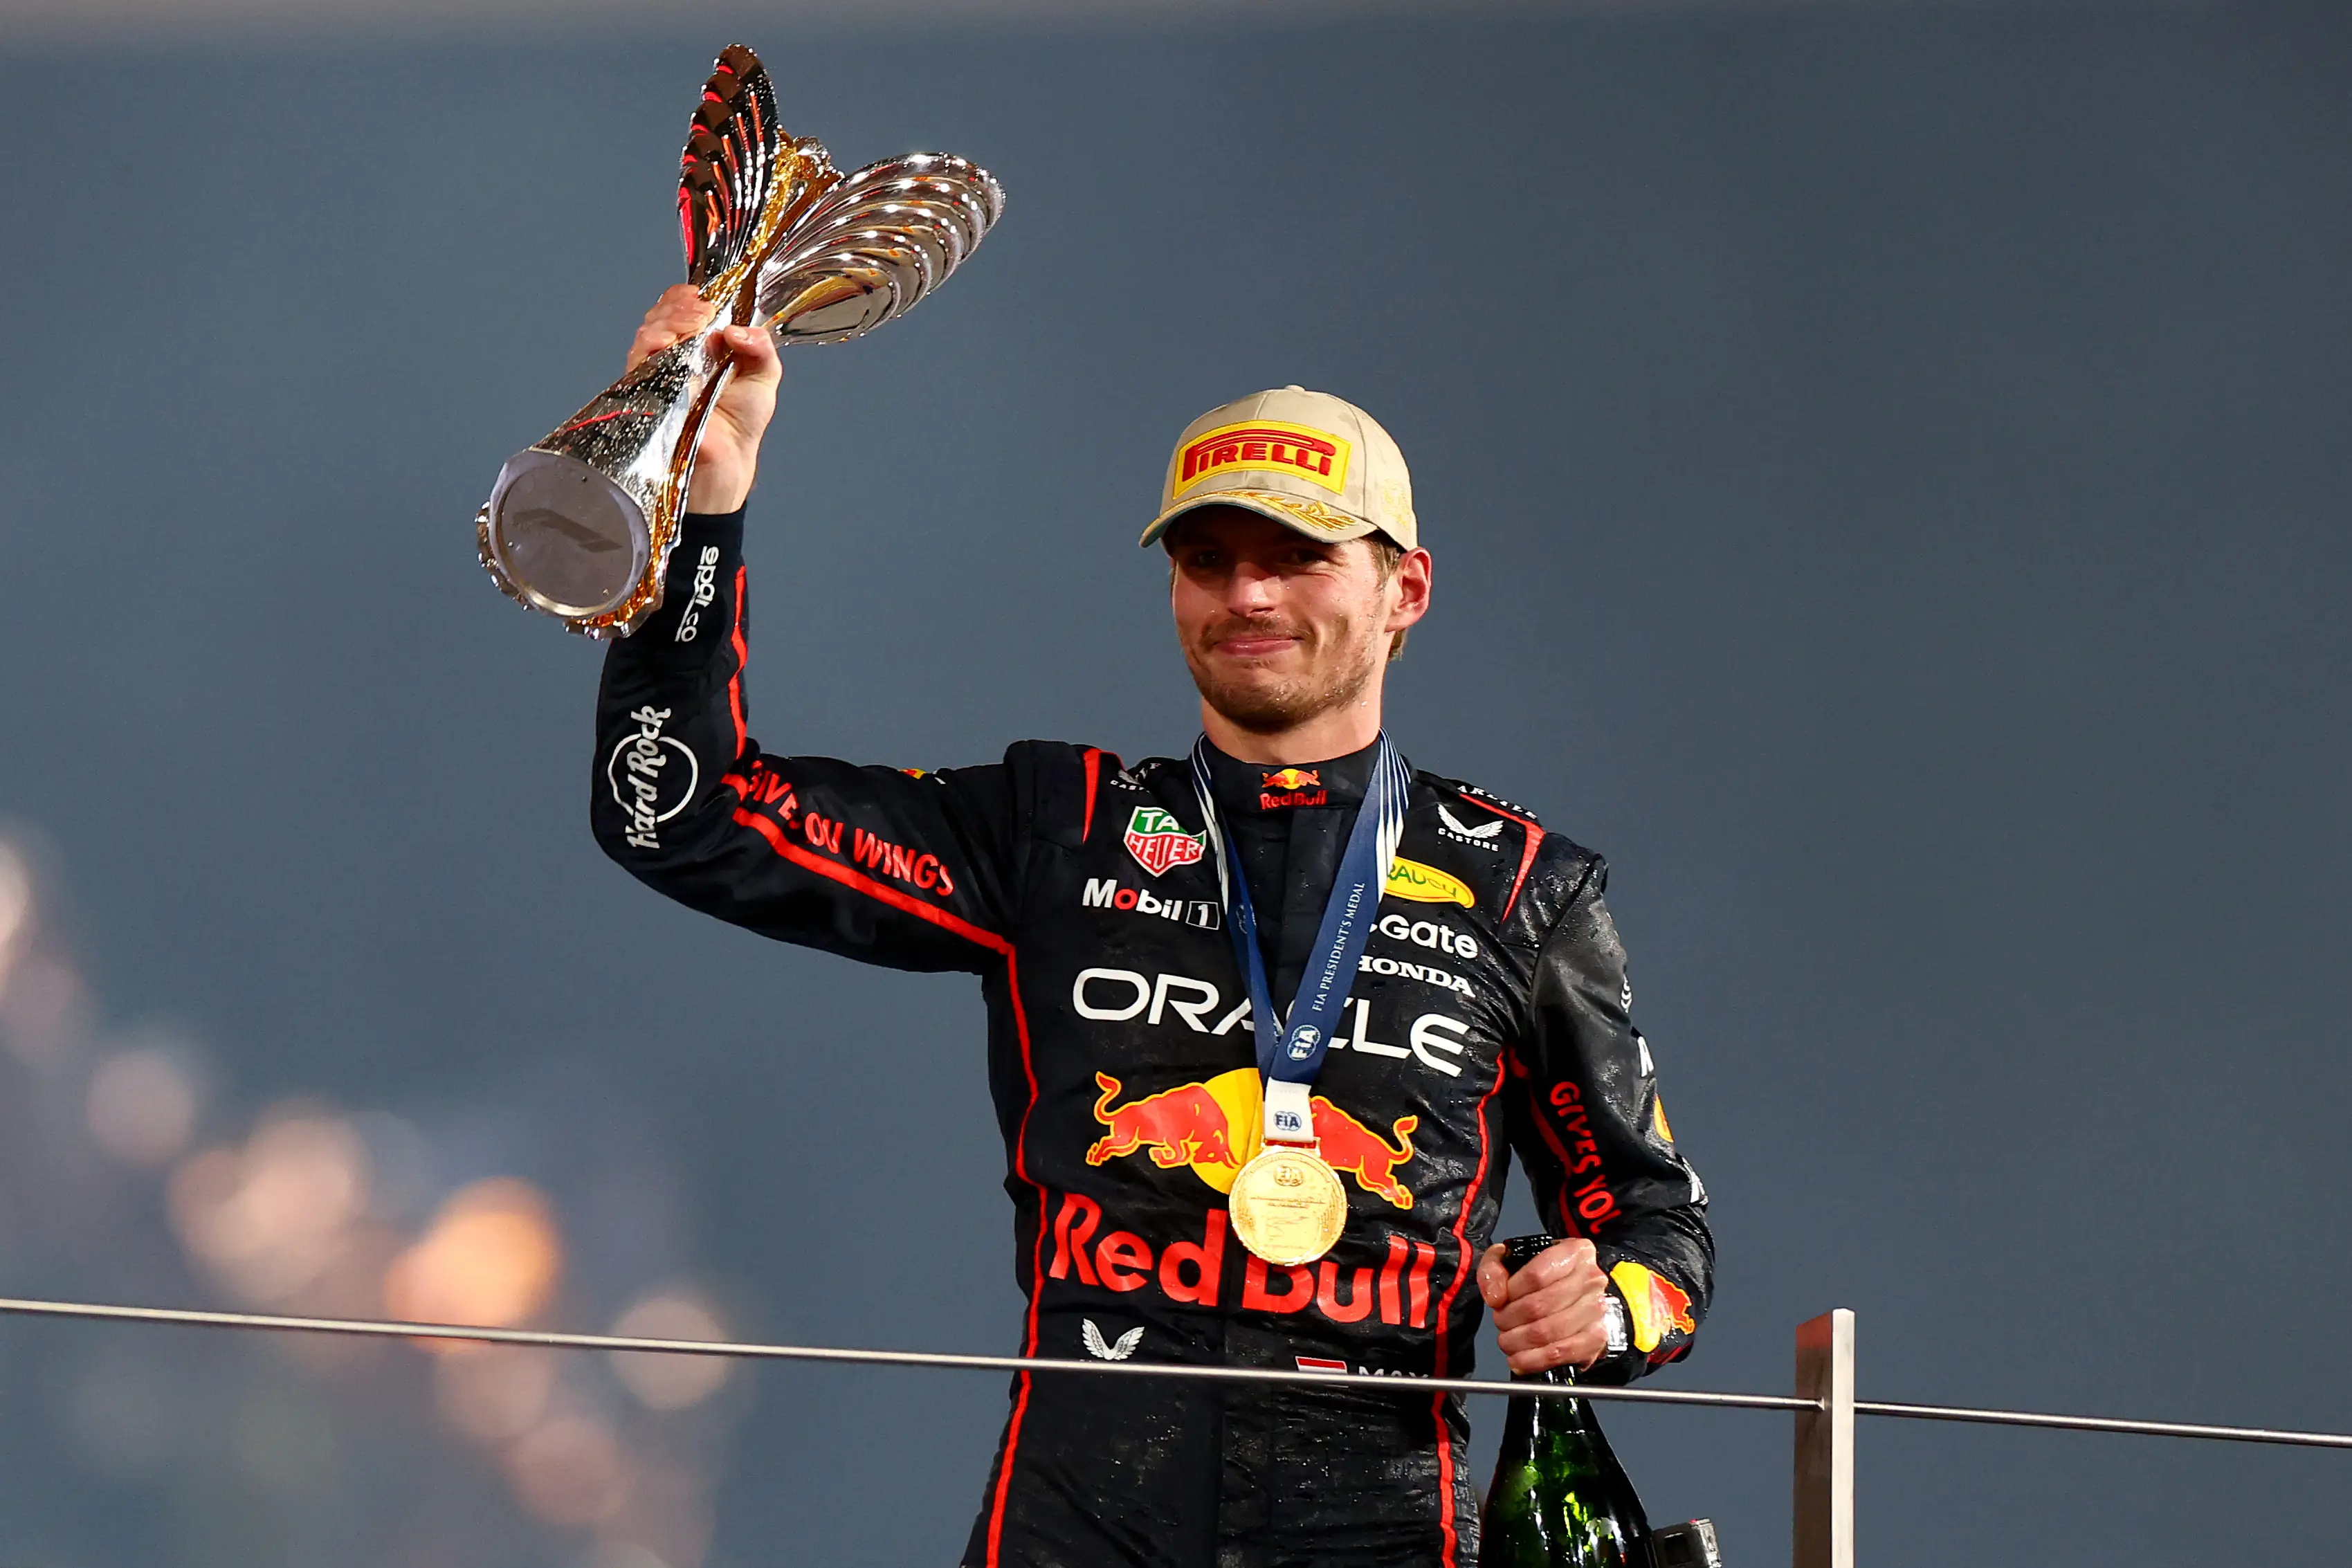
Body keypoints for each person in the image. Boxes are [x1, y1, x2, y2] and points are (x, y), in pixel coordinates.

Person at [592, 287, 1714, 1568]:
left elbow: (1656, 1224)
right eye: (1205, 557)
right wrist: (698, 500)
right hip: (1080, 1525)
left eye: (1295, 555)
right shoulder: (1054, 827)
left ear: (1405, 588)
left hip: (1385, 1532)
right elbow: (680, 814)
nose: (1245, 592)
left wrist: (1607, 1306)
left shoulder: (1523, 883)